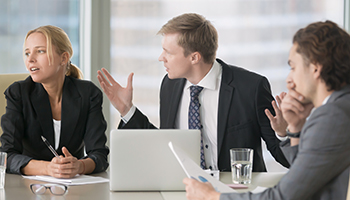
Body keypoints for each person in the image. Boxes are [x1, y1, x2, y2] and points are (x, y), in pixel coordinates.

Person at [97, 13, 289, 172]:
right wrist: (127, 110)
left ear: (194, 57)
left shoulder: (251, 88)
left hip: (235, 193)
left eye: (168, 53)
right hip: (184, 190)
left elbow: (284, 157)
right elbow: (166, 145)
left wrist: (283, 133)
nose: (160, 58)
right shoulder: (169, 85)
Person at [183, 20, 350, 200]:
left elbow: (283, 196)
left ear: (316, 68)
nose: (289, 80)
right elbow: (303, 178)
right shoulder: (339, 107)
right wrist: (295, 128)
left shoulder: (334, 116)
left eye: (293, 67)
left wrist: (213, 197)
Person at [0, 25, 109, 178]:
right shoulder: (18, 93)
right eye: (27, 53)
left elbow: (99, 155)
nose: (30, 59)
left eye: (40, 51)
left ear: (63, 58)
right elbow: (7, 156)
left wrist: (79, 166)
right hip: (27, 188)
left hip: (73, 189)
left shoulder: (88, 94)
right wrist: (47, 168)